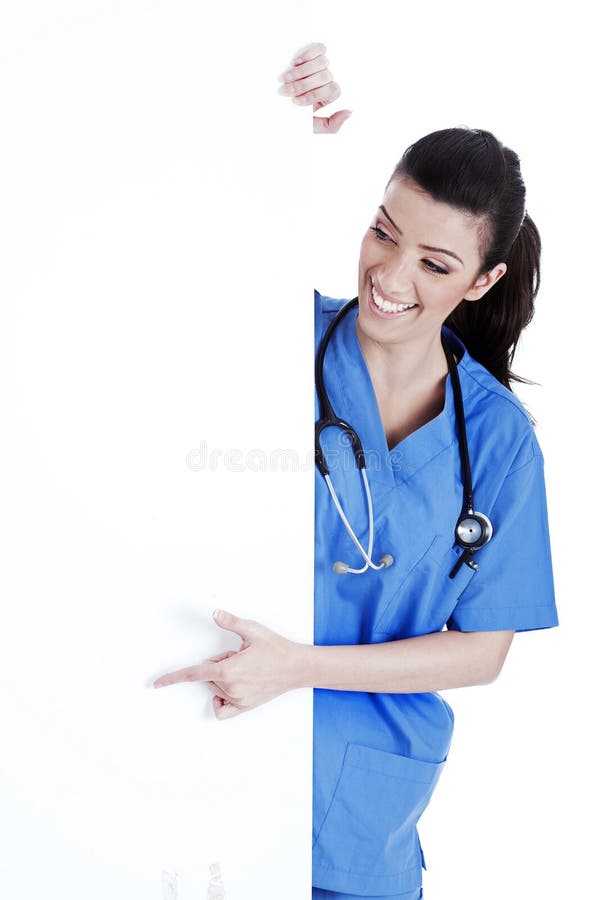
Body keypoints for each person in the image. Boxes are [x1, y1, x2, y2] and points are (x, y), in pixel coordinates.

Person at [154, 42, 559, 900]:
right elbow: (154, 245)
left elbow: (484, 650)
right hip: (192, 768)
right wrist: (259, 123)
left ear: (483, 281)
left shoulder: (498, 440)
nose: (389, 274)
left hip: (359, 823)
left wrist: (300, 664)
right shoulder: (272, 332)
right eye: (385, 230)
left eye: (435, 264)